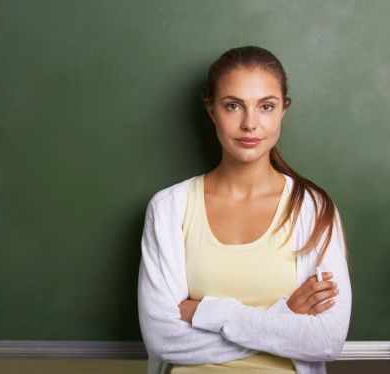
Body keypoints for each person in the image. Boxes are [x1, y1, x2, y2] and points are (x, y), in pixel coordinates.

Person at [138, 46, 351, 374]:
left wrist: (212, 314)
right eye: (233, 106)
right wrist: (284, 318)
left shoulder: (314, 208)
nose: (250, 123)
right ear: (211, 110)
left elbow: (326, 340)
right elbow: (162, 339)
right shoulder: (168, 209)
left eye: (266, 106)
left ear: (283, 110)